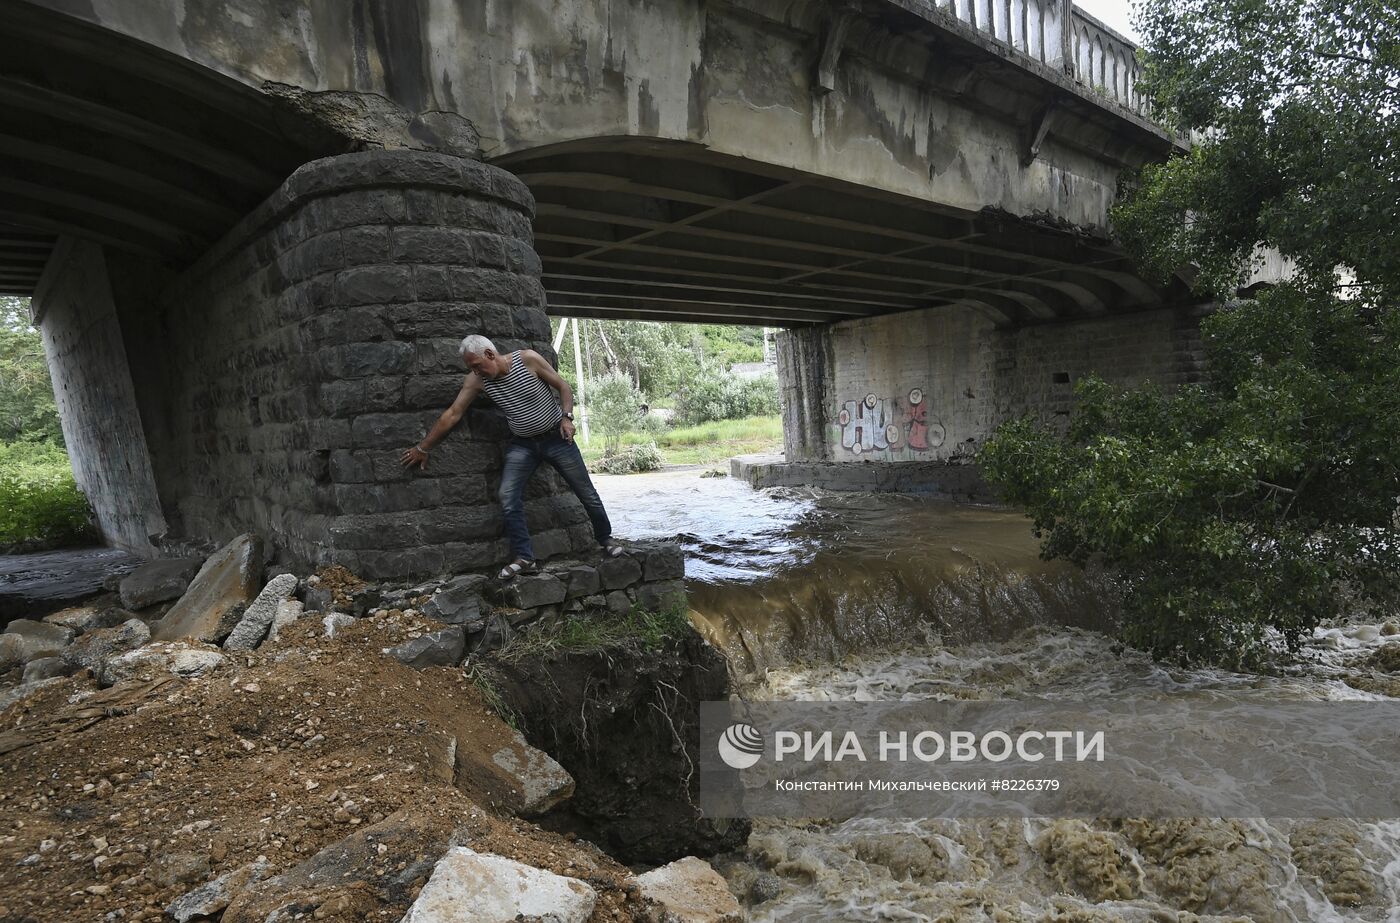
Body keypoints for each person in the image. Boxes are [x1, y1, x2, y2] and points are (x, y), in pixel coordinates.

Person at [400, 334, 624, 579]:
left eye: (476, 365)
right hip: (523, 445)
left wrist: (566, 417)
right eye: (470, 368)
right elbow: (453, 414)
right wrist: (423, 448)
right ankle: (525, 557)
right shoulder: (477, 380)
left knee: (586, 493)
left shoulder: (527, 360)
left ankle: (606, 539)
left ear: (489, 354)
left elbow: (563, 386)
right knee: (507, 496)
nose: (475, 371)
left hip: (557, 439)